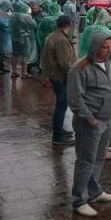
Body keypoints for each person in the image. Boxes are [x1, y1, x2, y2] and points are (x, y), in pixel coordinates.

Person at [67, 32, 111, 217]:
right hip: (91, 122)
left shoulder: (109, 63)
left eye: (110, 47)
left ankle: (93, 191)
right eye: (105, 48)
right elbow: (75, 99)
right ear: (95, 47)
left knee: (98, 158)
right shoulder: (80, 68)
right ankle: (78, 199)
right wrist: (91, 119)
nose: (108, 51)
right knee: (85, 160)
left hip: (108, 119)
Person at [40, 15, 77, 145]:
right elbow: (64, 63)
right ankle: (58, 136)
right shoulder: (61, 40)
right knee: (61, 106)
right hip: (61, 77)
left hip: (54, 75)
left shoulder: (53, 36)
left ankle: (59, 129)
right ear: (68, 25)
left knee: (61, 105)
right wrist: (75, 74)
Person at [9, 0, 38, 78]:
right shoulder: (26, 16)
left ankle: (13, 72)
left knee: (14, 55)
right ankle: (24, 73)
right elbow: (34, 25)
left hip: (14, 39)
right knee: (25, 55)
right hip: (25, 39)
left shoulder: (11, 16)